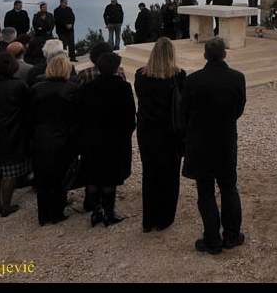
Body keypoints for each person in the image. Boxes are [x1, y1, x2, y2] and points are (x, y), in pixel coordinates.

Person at [181, 37, 247, 255]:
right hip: (226, 141)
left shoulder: (192, 81)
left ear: (205, 56)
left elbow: (185, 112)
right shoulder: (237, 78)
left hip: (200, 143)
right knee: (229, 189)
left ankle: (212, 240)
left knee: (206, 191)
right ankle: (231, 236)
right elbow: (239, 109)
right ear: (225, 54)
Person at [135, 37, 188, 232]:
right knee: (170, 176)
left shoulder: (141, 76)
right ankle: (165, 218)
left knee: (150, 174)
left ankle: (149, 219)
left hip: (147, 131)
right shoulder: (180, 76)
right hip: (170, 132)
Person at [79, 51, 136, 227]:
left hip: (93, 137)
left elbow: (81, 115)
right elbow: (130, 115)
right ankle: (108, 213)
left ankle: (95, 209)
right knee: (110, 176)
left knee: (93, 174)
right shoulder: (123, 87)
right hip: (115, 138)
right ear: (116, 68)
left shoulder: (88, 88)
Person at [30, 53, 81, 226]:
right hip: (63, 137)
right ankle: (57, 212)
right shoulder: (73, 88)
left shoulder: (37, 88)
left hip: (40, 137)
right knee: (60, 177)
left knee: (42, 178)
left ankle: (43, 215)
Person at [0, 50, 32, 219]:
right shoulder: (19, 85)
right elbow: (27, 108)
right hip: (13, 130)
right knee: (10, 171)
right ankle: (6, 205)